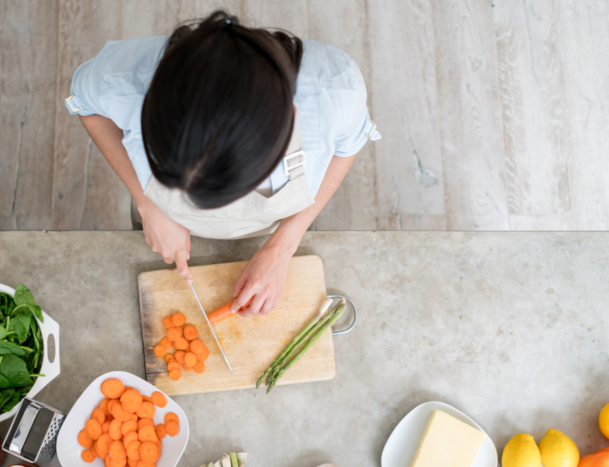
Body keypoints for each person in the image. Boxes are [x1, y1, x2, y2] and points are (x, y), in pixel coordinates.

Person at [65, 11, 379, 316]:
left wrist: (283, 246)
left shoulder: (336, 91)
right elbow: (86, 105)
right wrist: (148, 203)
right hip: (159, 223)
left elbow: (347, 147)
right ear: (149, 97)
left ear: (290, 118)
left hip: (277, 226)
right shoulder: (121, 77)